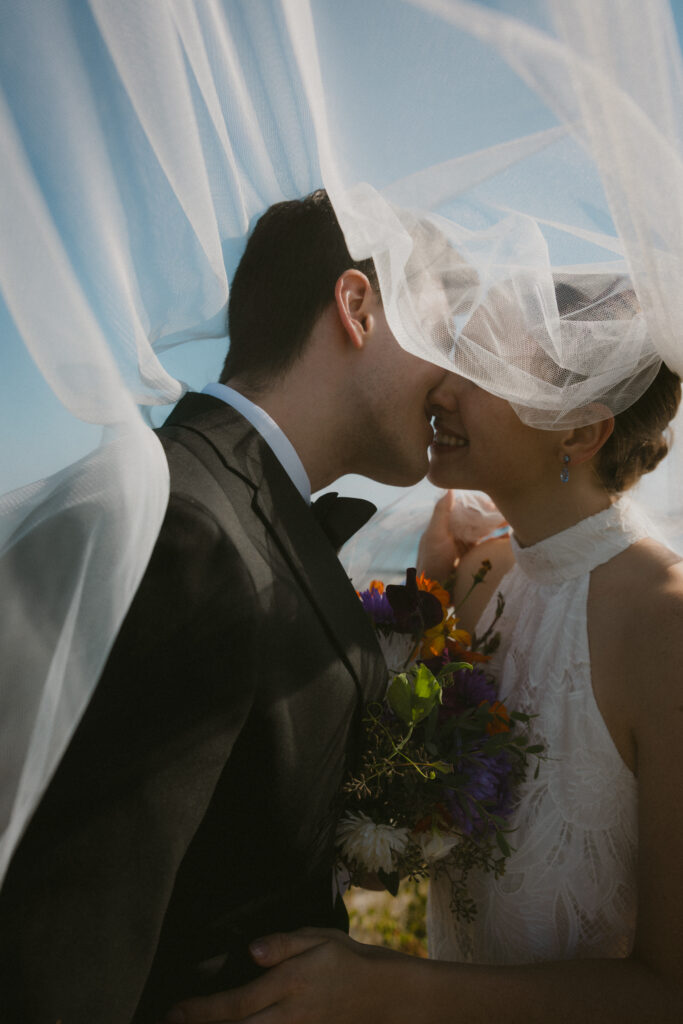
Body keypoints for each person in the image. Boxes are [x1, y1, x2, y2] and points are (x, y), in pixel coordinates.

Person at [165, 279, 683, 1023]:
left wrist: (388, 988)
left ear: (578, 432)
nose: (438, 386)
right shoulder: (481, 578)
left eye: (479, 371)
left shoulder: (663, 625)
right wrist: (429, 584)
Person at [0, 189, 450, 1024]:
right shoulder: (191, 538)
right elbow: (66, 948)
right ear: (356, 308)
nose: (457, 377)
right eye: (443, 337)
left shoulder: (221, 505)